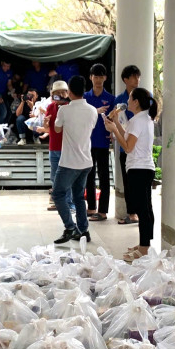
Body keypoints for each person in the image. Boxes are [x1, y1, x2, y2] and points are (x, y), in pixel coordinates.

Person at [104, 87, 158, 262]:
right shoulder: (143, 119)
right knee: (146, 208)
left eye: (130, 98)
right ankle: (145, 245)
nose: (127, 101)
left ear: (136, 102)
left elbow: (127, 147)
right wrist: (115, 123)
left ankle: (143, 248)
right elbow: (127, 134)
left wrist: (113, 129)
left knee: (143, 210)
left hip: (138, 169)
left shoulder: (138, 121)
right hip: (144, 168)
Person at [52, 76, 99, 244]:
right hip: (86, 161)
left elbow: (57, 129)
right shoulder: (93, 110)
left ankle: (70, 228)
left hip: (69, 162)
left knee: (58, 194)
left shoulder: (64, 110)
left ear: (69, 92)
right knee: (79, 197)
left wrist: (59, 111)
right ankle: (83, 230)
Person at [84, 63, 115, 222]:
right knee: (88, 176)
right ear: (90, 78)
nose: (98, 80)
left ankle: (103, 211)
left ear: (105, 78)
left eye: (100, 76)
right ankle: (91, 208)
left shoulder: (111, 99)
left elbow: (116, 120)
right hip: (87, 143)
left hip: (103, 143)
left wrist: (113, 132)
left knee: (104, 178)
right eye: (95, 76)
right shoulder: (84, 98)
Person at [114, 65, 142, 226]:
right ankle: (132, 213)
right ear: (126, 80)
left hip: (140, 145)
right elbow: (115, 120)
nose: (137, 80)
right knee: (127, 180)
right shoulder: (119, 100)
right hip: (125, 144)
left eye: (138, 77)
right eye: (133, 77)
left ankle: (139, 212)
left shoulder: (146, 97)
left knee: (140, 181)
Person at [38, 80, 71, 212]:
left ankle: (68, 202)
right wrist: (45, 123)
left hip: (67, 147)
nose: (60, 95)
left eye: (63, 92)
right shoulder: (51, 107)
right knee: (54, 176)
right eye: (57, 93)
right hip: (54, 147)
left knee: (67, 176)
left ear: (67, 93)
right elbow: (47, 128)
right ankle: (58, 202)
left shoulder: (70, 106)